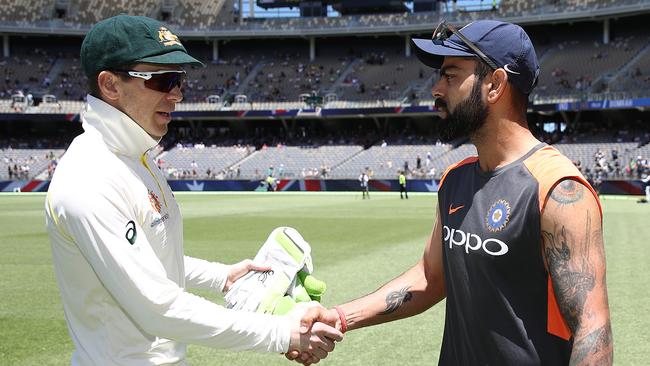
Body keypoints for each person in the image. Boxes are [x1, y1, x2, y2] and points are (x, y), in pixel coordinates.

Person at [292, 20, 612, 365]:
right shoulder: (454, 180)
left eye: (451, 75)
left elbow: (592, 328)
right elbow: (430, 278)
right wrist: (339, 317)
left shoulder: (558, 189)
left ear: (495, 84)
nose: (436, 89)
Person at [45, 15, 341, 366]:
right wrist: (284, 332)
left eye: (180, 80)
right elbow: (159, 308)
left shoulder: (135, 157)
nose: (178, 94)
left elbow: (147, 256)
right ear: (110, 85)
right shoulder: (89, 178)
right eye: (163, 79)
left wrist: (223, 276)